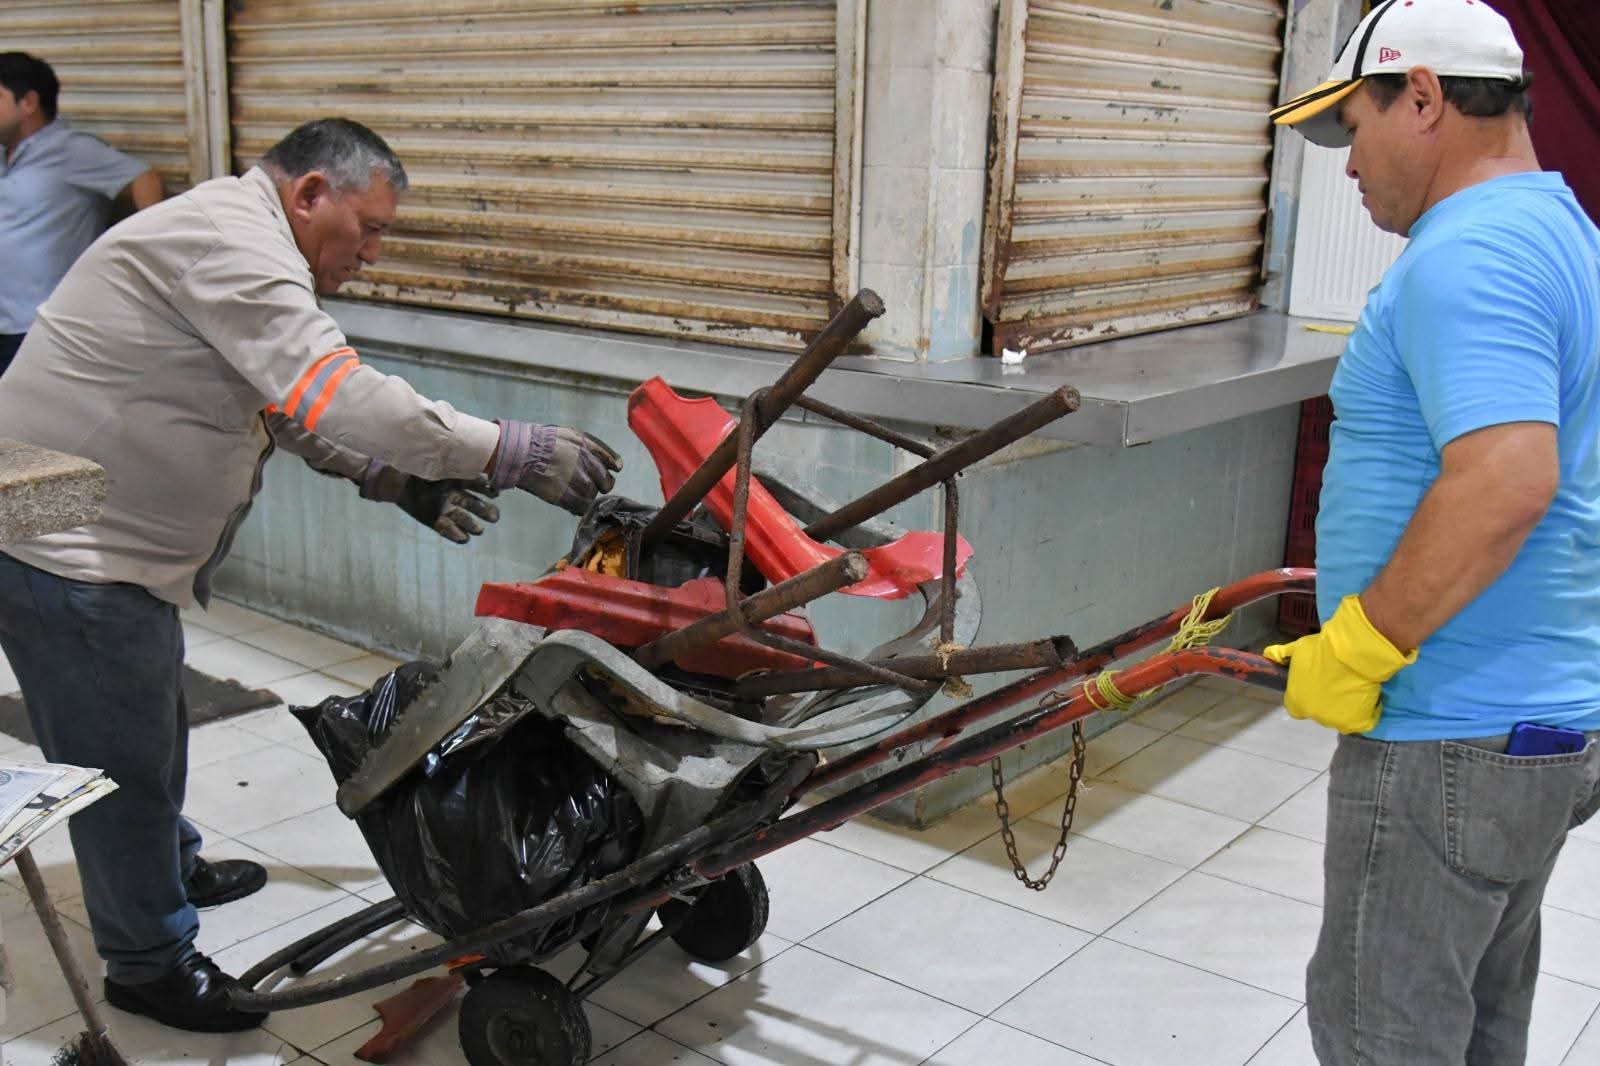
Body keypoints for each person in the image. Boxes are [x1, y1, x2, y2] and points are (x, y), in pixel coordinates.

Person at [0, 117, 622, 1034]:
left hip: (96, 534)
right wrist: (505, 449)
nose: (372, 253)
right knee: (120, 753)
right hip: (66, 541)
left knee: (144, 711)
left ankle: (166, 867)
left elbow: (276, 400)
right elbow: (334, 391)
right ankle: (147, 962)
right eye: (369, 228)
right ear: (310, 193)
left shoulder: (235, 237)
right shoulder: (233, 243)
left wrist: (387, 477)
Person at [1265, 1, 1600, 1062]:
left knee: (1385, 1030)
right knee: (1480, 1017)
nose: (1350, 165)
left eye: (1352, 127)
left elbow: (1507, 479)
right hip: (1531, 724)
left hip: (1447, 731)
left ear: (1421, 98)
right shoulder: (1563, 231)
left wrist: (1359, 645)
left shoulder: (1472, 256)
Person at [0, 52, 164, 375]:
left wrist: (152, 248)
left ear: (28, 102)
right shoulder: (5, 155)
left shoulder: (72, 150)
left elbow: (144, 177)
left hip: (40, 328)